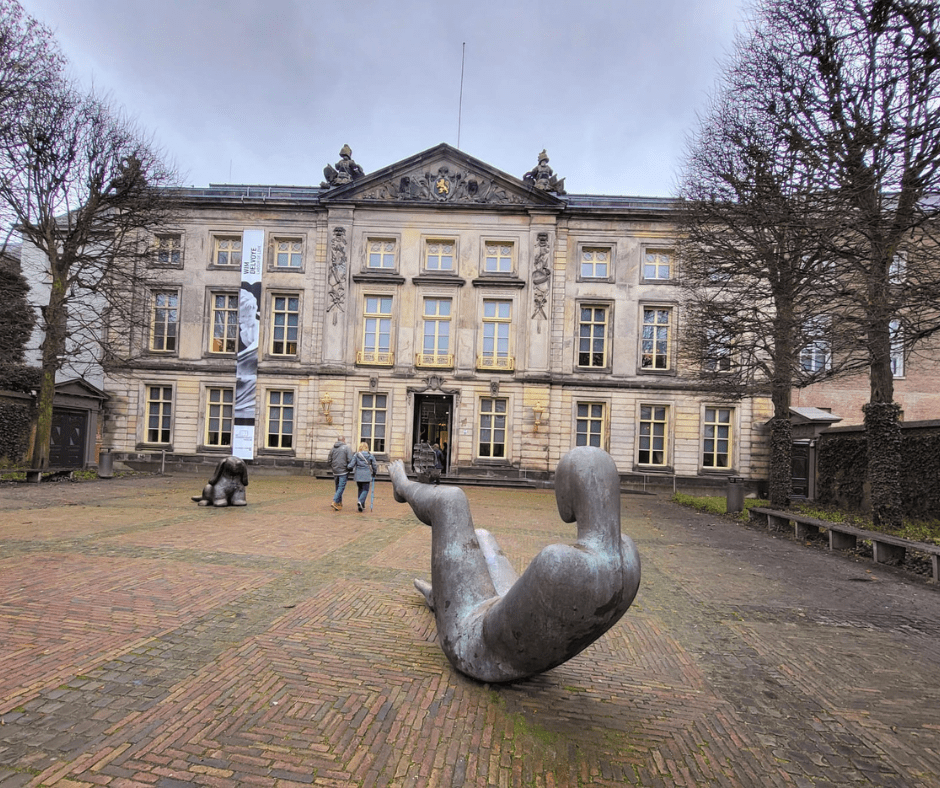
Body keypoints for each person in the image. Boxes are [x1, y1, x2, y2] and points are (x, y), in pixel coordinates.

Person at [387, 446, 641, 683]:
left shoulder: (560, 562)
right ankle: (444, 594)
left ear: (570, 493)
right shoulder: (629, 558)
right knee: (482, 537)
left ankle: (402, 486)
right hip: (514, 638)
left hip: (475, 648)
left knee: (449, 501)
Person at [348, 441, 378, 512]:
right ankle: (360, 501)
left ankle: (361, 505)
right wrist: (374, 472)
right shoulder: (370, 455)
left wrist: (347, 467)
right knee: (365, 490)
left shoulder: (356, 455)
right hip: (366, 475)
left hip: (358, 475)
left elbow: (351, 465)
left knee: (360, 489)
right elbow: (374, 465)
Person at [327, 435, 353, 511]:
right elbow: (350, 459)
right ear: (344, 440)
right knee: (341, 487)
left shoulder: (333, 448)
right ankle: (335, 501)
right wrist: (349, 468)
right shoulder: (347, 448)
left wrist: (333, 467)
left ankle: (339, 504)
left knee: (338, 487)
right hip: (343, 471)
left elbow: (329, 460)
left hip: (335, 471)